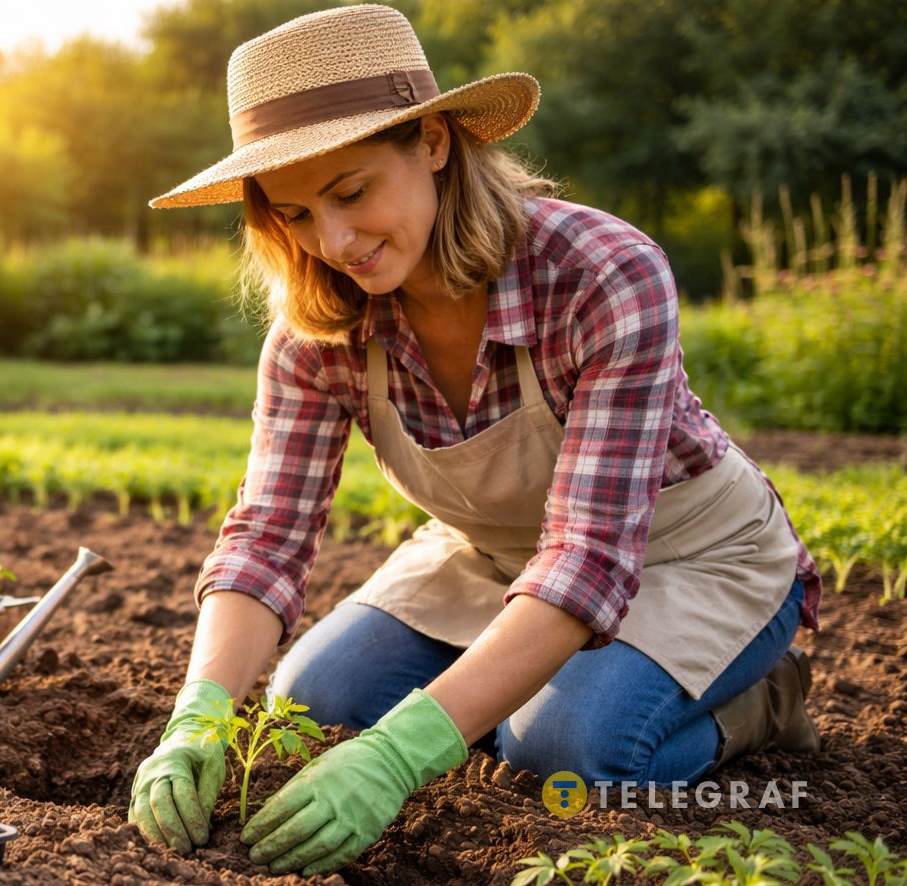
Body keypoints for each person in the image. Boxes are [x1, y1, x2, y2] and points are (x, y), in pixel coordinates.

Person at [128, 4, 823, 877]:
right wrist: (200, 712)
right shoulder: (318, 330)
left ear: (434, 141)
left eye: (351, 193)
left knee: (564, 750)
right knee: (315, 703)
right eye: (296, 215)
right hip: (491, 556)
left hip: (686, 556)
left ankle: (758, 702)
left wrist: (404, 753)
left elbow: (588, 557)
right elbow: (268, 535)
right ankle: (507, 695)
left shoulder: (602, 274)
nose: (333, 243)